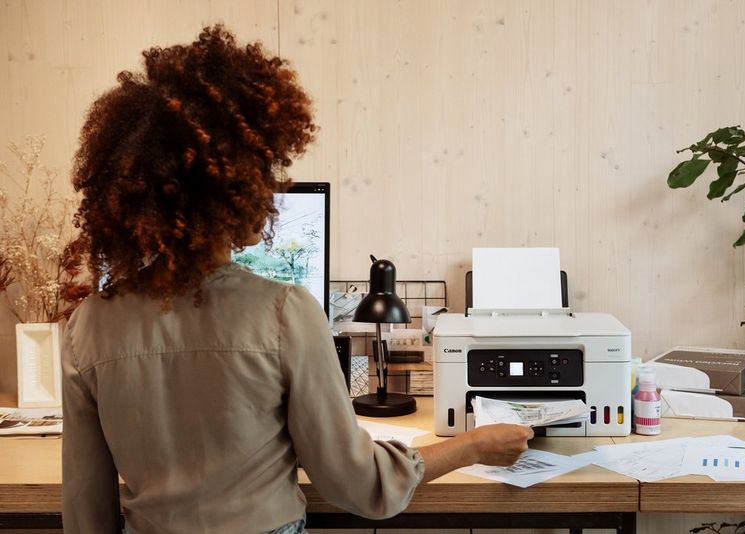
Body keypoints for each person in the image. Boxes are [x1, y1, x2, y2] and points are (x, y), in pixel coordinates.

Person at [62, 25, 532, 534]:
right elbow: (357, 484)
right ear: (236, 186)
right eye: (264, 172)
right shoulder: (283, 311)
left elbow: (86, 509)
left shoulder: (87, 326)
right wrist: (473, 446)